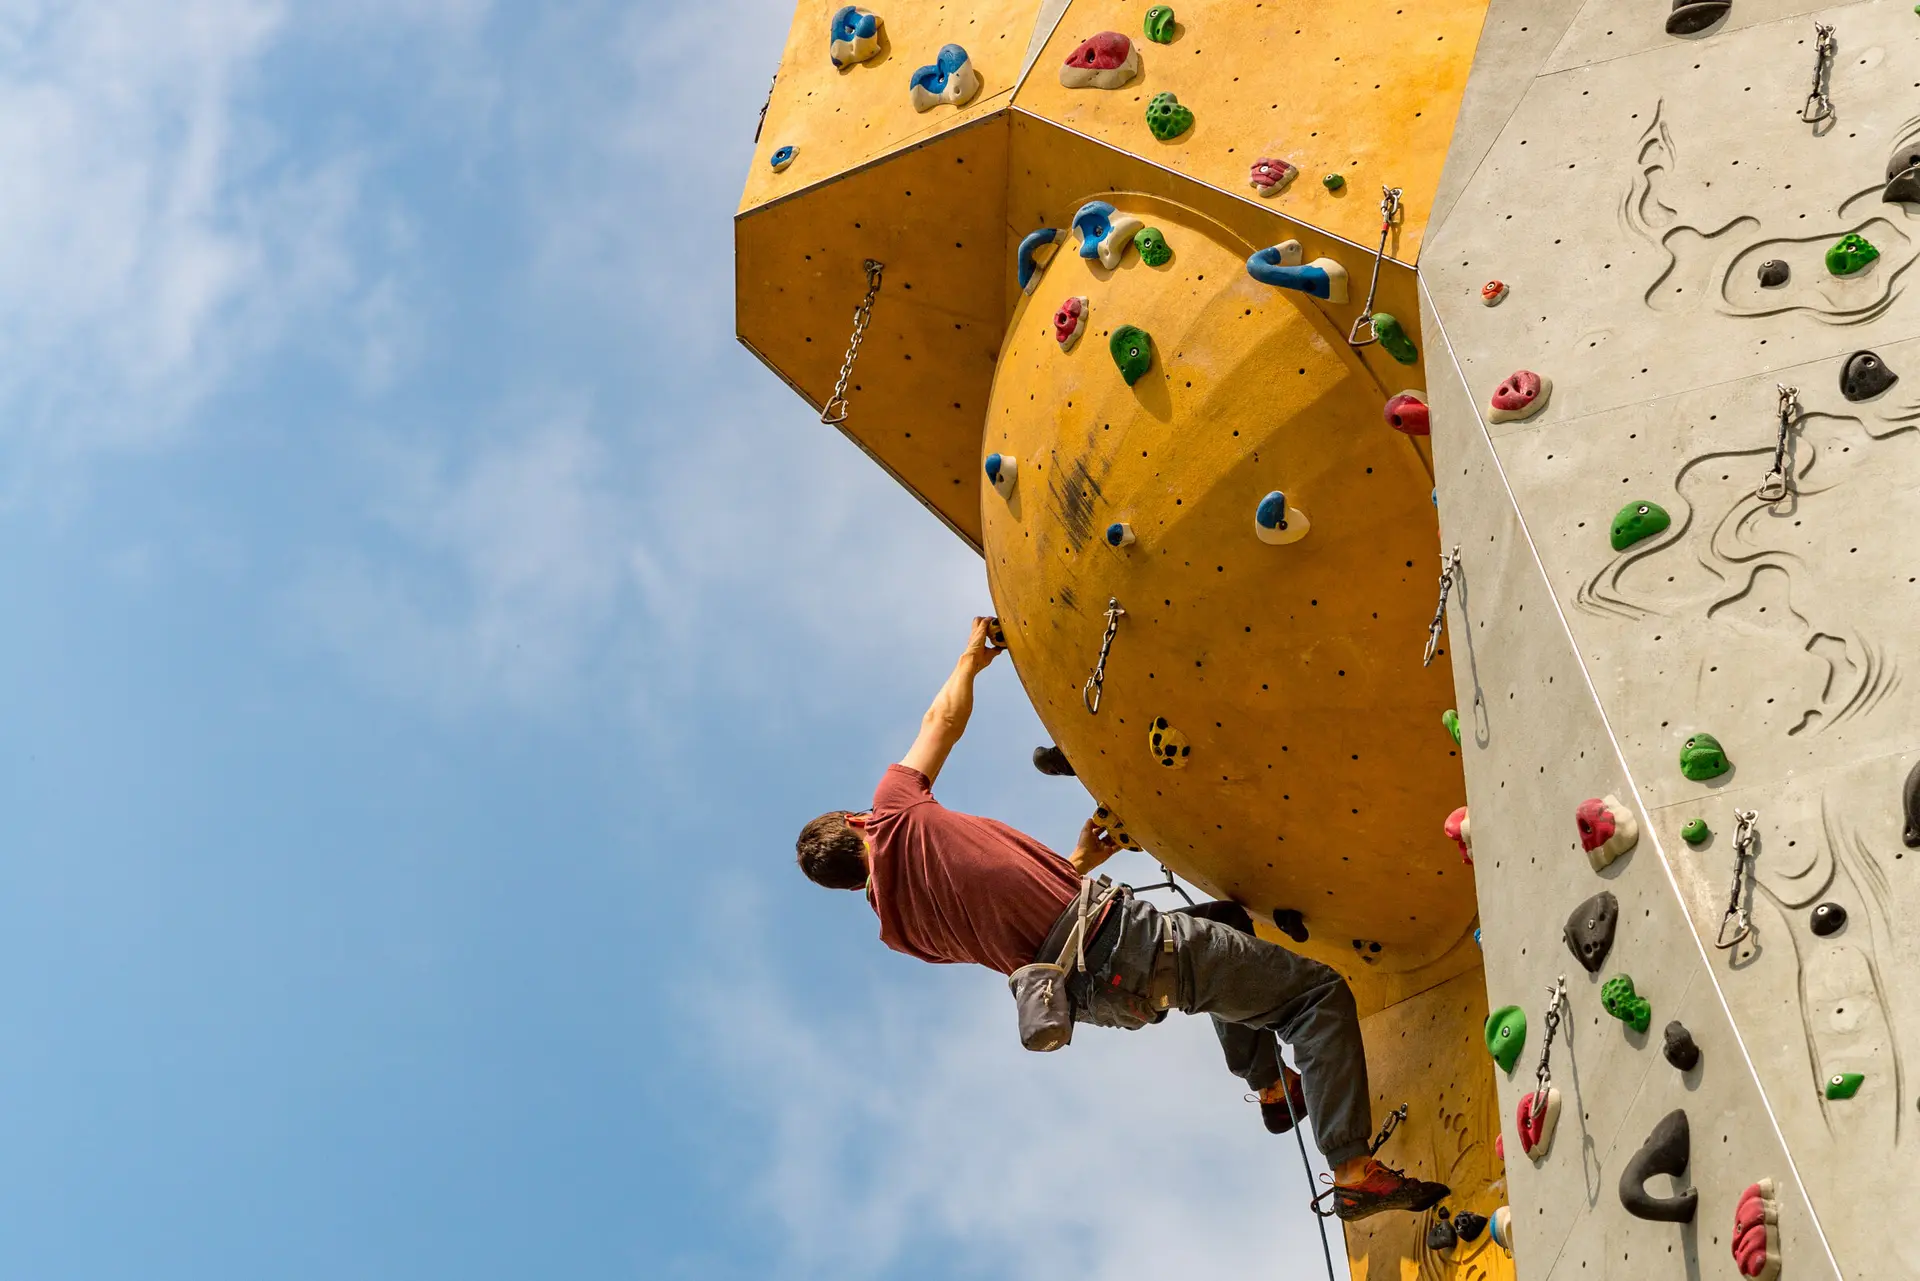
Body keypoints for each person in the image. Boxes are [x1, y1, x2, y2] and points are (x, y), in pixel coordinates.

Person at [794, 618, 1450, 1221]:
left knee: (1224, 922)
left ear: (850, 884)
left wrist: (1080, 858)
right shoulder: (892, 812)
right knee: (1316, 995)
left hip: (1101, 993)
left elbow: (1014, 927)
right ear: (855, 822)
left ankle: (1274, 1089)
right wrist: (973, 656)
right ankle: (1353, 1166)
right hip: (1125, 942)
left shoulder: (902, 931)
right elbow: (942, 719)